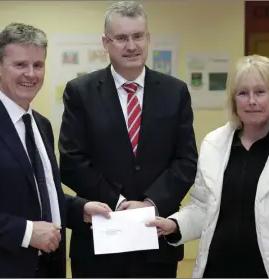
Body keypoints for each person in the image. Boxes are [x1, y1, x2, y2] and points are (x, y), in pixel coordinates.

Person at [58, 1, 198, 278]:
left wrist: (149, 204)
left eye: (138, 36)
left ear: (148, 38)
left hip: (156, 242)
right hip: (98, 242)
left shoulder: (175, 92)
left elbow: (186, 160)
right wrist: (119, 202)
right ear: (105, 43)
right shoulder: (80, 92)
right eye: (121, 38)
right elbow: (72, 161)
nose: (131, 46)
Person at [147, 54, 269, 278]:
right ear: (233, 99)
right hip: (217, 270)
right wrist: (175, 224)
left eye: (260, 92)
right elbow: (204, 208)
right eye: (243, 93)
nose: (251, 101)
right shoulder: (214, 144)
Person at [0, 23, 112, 278]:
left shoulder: (41, 124)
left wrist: (81, 209)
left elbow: (41, 193)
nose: (31, 74)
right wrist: (26, 232)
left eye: (38, 65)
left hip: (50, 268)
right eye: (20, 65)